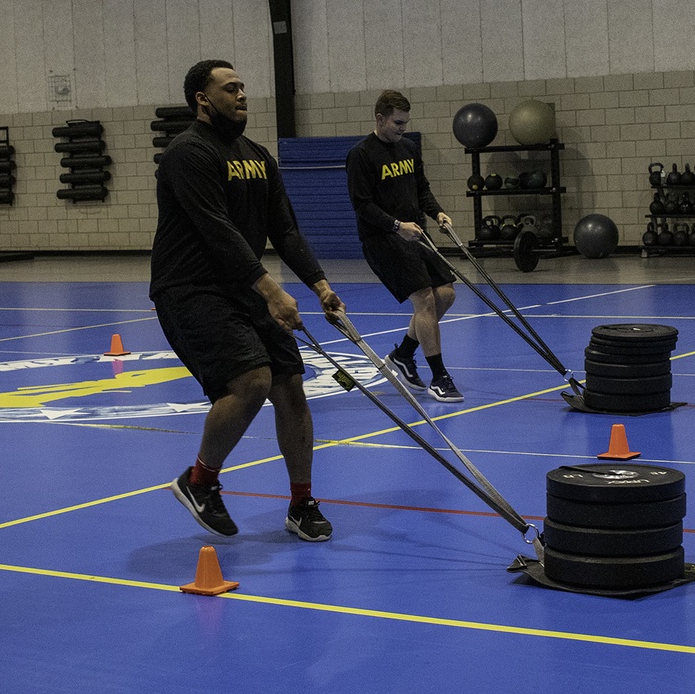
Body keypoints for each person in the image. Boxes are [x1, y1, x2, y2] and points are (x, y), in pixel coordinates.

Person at [150, 59, 345, 542]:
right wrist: (273, 290)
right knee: (252, 381)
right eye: (230, 88)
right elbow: (218, 232)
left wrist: (320, 286)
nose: (241, 94)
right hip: (192, 289)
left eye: (242, 87)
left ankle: (302, 502)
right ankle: (199, 482)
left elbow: (285, 229)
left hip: (244, 285)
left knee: (290, 387)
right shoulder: (186, 153)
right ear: (202, 99)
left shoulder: (257, 156)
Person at [345, 89, 462, 403]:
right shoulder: (361, 154)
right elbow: (362, 206)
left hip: (416, 234)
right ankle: (440, 377)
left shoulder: (408, 148)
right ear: (380, 118)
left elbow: (421, 188)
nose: (401, 128)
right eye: (396, 122)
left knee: (446, 295)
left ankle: (403, 355)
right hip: (383, 239)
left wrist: (437, 212)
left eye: (405, 123)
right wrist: (396, 226)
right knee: (424, 300)